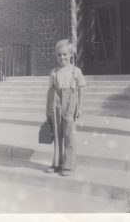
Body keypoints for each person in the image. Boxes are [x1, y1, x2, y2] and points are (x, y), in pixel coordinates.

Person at [46, 39, 86, 176]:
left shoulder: (77, 72)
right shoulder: (54, 72)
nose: (61, 57)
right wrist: (47, 108)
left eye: (64, 54)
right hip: (56, 104)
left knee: (69, 135)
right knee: (57, 135)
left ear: (71, 55)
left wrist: (79, 108)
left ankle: (69, 165)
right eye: (59, 55)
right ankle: (57, 163)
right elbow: (51, 91)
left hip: (70, 104)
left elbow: (81, 90)